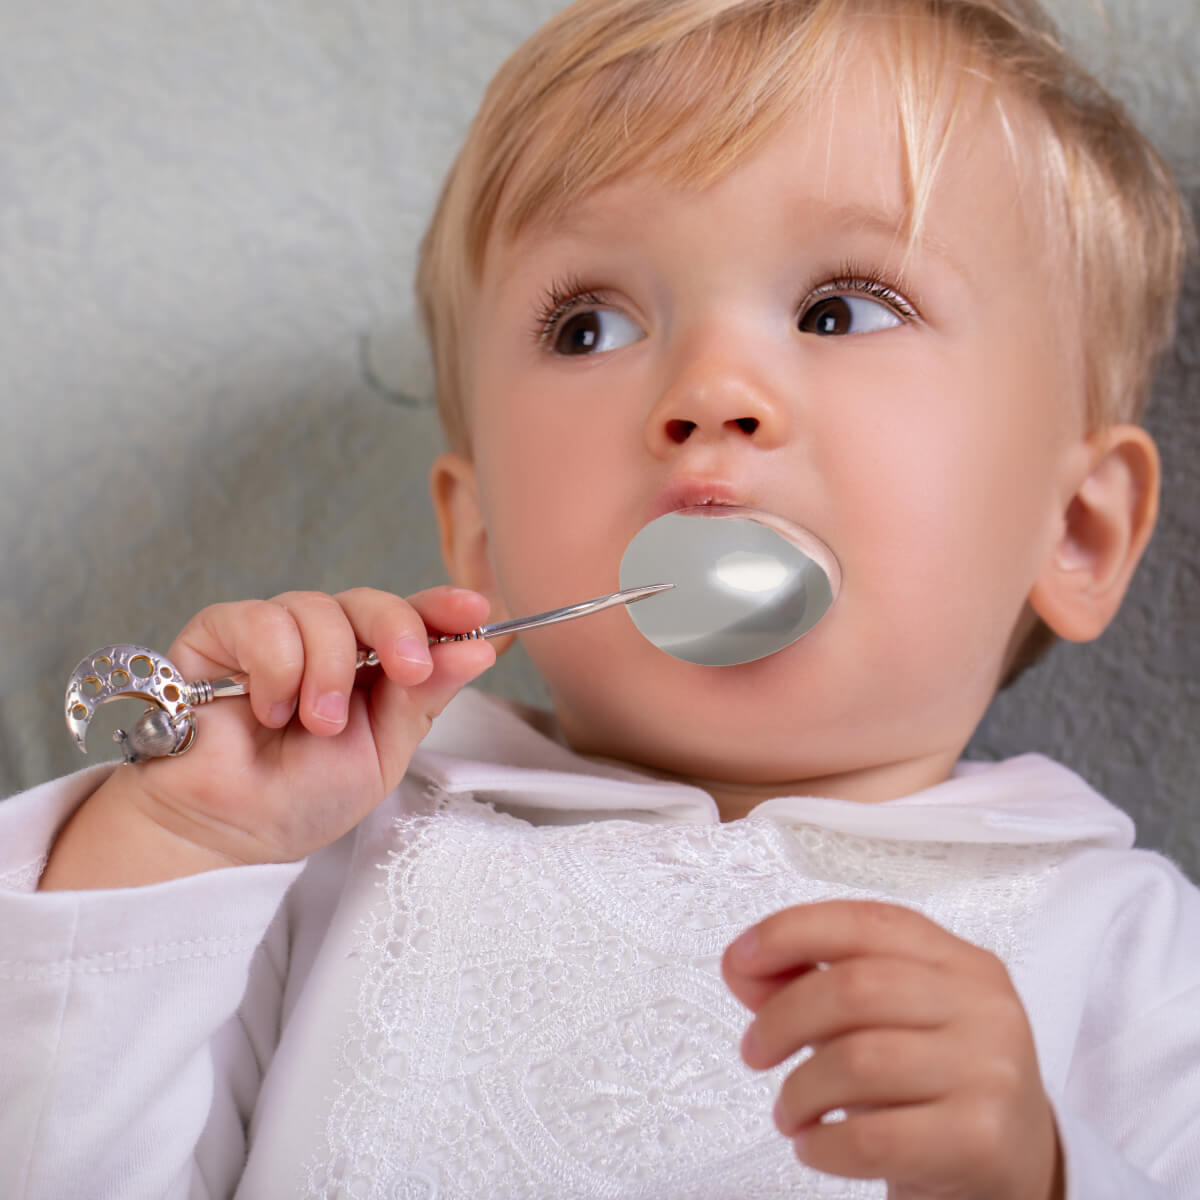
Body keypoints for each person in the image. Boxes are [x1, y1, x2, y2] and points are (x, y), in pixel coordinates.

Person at [1, 0, 1195, 1196]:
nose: (709, 391)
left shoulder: (1135, 961)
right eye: (590, 326)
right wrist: (165, 852)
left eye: (842, 309)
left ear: (1078, 533)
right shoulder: (314, 867)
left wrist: (1041, 1173)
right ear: (479, 534)